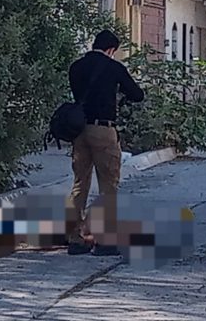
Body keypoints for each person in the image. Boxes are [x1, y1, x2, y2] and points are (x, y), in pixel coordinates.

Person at [66, 30, 144, 255]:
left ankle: (74, 238)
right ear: (111, 50)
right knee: (108, 186)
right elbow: (137, 94)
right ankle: (104, 239)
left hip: (79, 131)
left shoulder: (76, 67)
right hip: (103, 129)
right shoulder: (114, 68)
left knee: (80, 183)